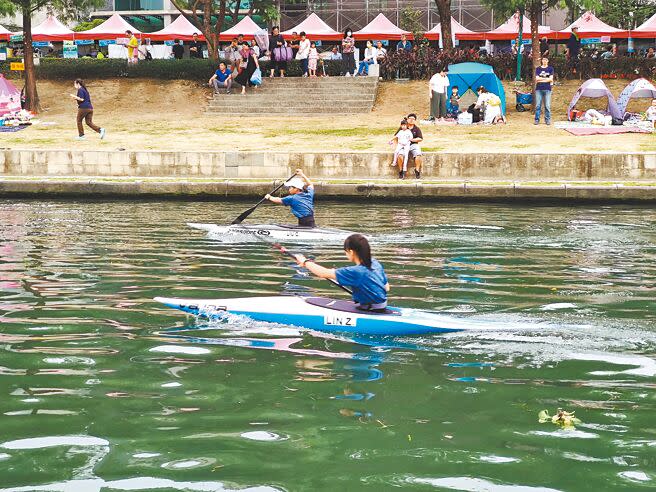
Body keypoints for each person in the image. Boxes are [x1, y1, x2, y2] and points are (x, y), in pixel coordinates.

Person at [293, 234, 390, 312]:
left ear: (351, 252)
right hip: (382, 307)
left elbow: (323, 273)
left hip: (371, 310)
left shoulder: (356, 271)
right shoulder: (375, 263)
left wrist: (305, 262)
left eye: (346, 251)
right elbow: (386, 287)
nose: (346, 254)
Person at [534, 56, 554, 125]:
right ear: (542, 61)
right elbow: (537, 79)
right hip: (539, 89)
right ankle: (537, 119)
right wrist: (546, 79)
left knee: (547, 106)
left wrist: (541, 79)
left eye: (546, 60)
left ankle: (547, 119)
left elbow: (551, 79)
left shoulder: (550, 69)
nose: (544, 61)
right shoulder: (538, 69)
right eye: (543, 60)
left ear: (548, 61)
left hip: (548, 89)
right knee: (538, 105)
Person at [406, 114, 423, 179]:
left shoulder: (417, 129)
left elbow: (420, 138)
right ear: (407, 119)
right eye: (410, 118)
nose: (411, 120)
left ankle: (417, 170)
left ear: (415, 120)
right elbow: (397, 136)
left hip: (413, 144)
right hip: (404, 145)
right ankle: (401, 171)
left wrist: (412, 140)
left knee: (418, 154)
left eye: (413, 119)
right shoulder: (403, 127)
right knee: (400, 155)